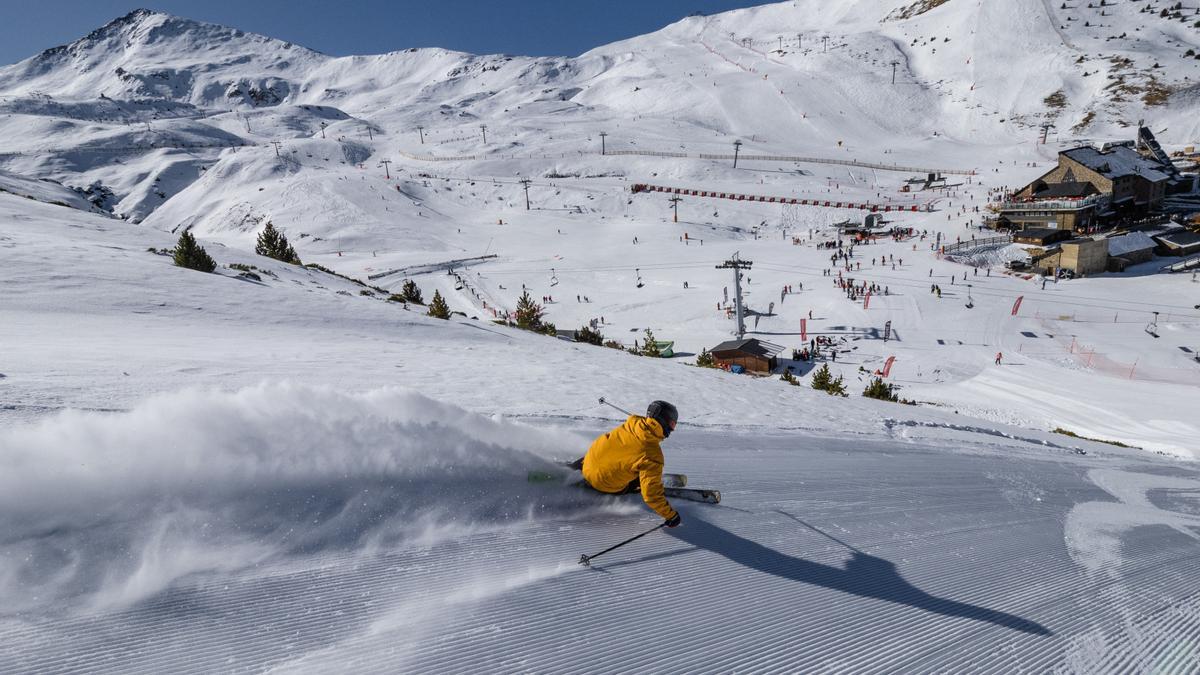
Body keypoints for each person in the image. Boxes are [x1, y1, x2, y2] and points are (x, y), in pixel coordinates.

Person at [570, 401, 681, 527]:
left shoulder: (632, 424)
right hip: (603, 484)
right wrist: (671, 515)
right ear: (664, 421)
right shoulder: (652, 454)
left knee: (615, 452)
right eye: (672, 424)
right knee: (641, 477)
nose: (672, 429)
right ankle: (648, 481)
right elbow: (650, 496)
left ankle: (569, 469)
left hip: (587, 464)